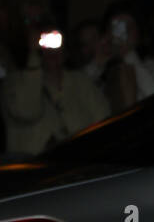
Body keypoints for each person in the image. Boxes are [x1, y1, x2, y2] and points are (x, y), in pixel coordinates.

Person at [1, 9, 109, 155]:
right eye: (44, 41)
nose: (51, 49)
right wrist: (34, 59)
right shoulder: (14, 83)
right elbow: (26, 111)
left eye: (56, 40)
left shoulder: (80, 81)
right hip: (37, 171)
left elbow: (104, 120)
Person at [84, 0, 154, 112]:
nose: (123, 33)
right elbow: (77, 95)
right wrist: (97, 63)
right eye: (116, 27)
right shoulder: (101, 71)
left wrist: (128, 55)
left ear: (139, 30)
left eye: (128, 26)